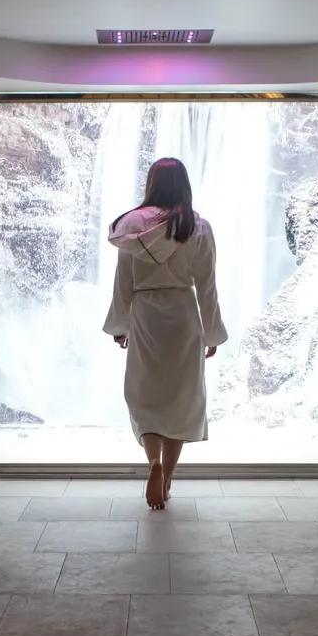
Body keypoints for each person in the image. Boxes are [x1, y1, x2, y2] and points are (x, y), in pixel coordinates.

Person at [102, 157, 227, 510]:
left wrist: (120, 326)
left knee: (145, 393)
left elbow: (123, 282)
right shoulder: (196, 225)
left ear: (152, 184)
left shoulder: (131, 225)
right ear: (184, 185)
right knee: (181, 398)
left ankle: (152, 462)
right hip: (183, 315)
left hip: (145, 315)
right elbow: (207, 286)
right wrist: (212, 333)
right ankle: (167, 477)